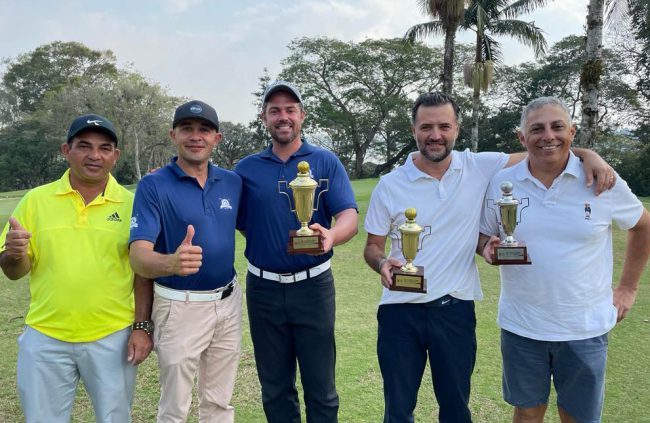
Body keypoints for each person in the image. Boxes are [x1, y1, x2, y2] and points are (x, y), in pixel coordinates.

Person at [363, 92, 616, 423]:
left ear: (457, 128)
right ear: (414, 130)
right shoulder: (390, 184)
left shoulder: (478, 166)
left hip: (454, 311)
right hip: (398, 311)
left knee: (455, 410)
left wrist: (588, 154)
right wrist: (382, 263)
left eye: (444, 126)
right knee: (397, 409)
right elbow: (372, 247)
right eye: (426, 127)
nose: (435, 135)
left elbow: (541, 148)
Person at [478, 96, 650, 423]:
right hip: (522, 326)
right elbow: (484, 233)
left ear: (572, 131)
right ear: (521, 137)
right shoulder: (502, 183)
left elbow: (643, 225)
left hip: (584, 328)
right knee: (527, 413)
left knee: (578, 417)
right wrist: (487, 247)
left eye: (557, 127)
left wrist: (627, 288)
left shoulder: (602, 181)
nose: (548, 136)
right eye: (537, 128)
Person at [0, 114, 152, 423]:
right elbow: (14, 270)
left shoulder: (133, 203)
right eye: (84, 146)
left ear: (115, 156)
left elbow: (142, 273)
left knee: (115, 418)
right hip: (45, 335)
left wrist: (141, 327)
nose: (94, 155)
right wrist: (13, 253)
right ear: (66, 150)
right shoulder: (35, 200)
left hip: (113, 336)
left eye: (104, 148)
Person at [235, 80, 358, 423]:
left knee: (321, 387)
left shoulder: (325, 161)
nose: (283, 117)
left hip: (313, 287)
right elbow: (237, 217)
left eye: (290, 110)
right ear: (264, 118)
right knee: (275, 388)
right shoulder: (245, 169)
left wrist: (332, 235)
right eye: (275, 110)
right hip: (263, 290)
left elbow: (348, 213)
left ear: (302, 116)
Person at [129, 100, 242, 423]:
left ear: (216, 138)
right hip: (179, 307)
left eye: (204, 130)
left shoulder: (232, 182)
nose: (196, 136)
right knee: (175, 407)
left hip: (228, 301)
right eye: (187, 129)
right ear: (173, 135)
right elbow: (138, 256)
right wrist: (172, 263)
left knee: (220, 403)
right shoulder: (154, 185)